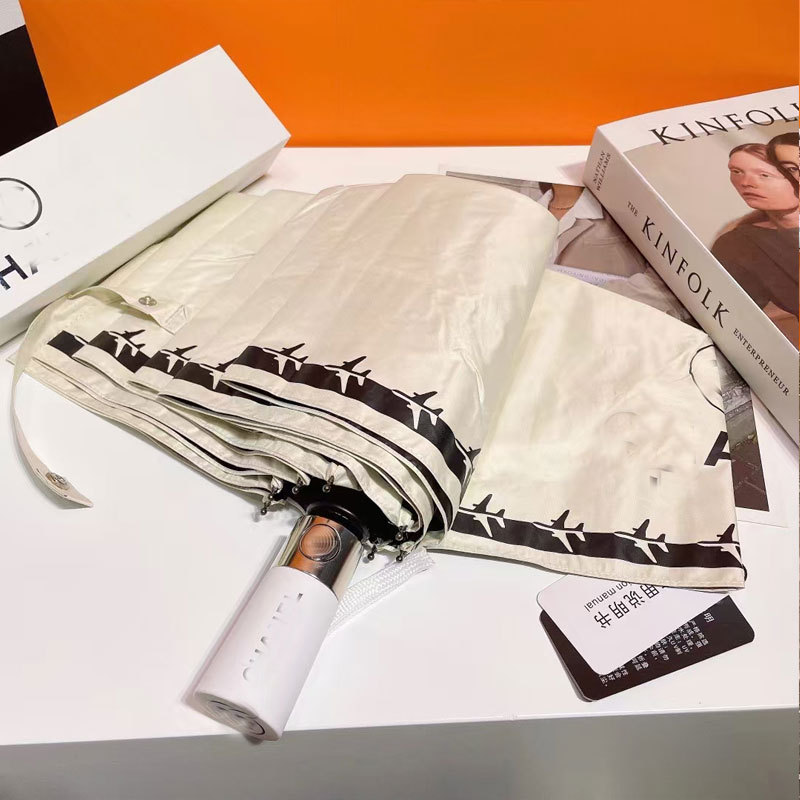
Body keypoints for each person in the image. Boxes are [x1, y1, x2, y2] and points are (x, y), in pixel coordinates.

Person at [711, 143, 799, 346]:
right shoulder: (739, 243)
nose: (746, 183)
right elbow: (728, 317)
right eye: (736, 172)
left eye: (764, 175)